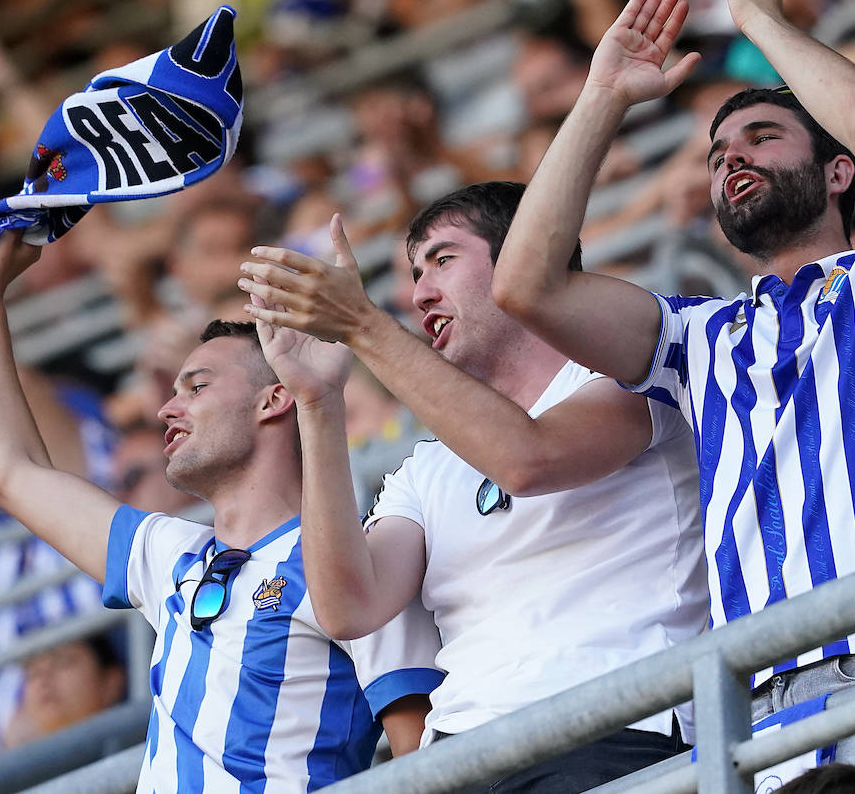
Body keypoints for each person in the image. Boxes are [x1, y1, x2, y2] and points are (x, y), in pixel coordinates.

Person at [491, 0, 855, 781]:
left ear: (836, 175)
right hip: (754, 698)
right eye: (719, 156)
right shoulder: (696, 336)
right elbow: (527, 285)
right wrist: (604, 95)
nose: (734, 161)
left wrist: (759, 19)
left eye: (762, 137)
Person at [238, 182, 706, 792]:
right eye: (413, 272)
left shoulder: (637, 376)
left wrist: (362, 324)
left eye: (444, 259)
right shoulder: (424, 467)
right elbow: (349, 608)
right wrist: (317, 401)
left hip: (619, 724)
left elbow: (530, 459)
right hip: (460, 756)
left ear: (522, 259)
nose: (419, 292)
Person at [0, 233, 439, 791]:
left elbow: (420, 761)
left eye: (198, 386)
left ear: (274, 399)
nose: (166, 407)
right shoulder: (175, 556)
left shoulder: (357, 567)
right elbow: (10, 475)